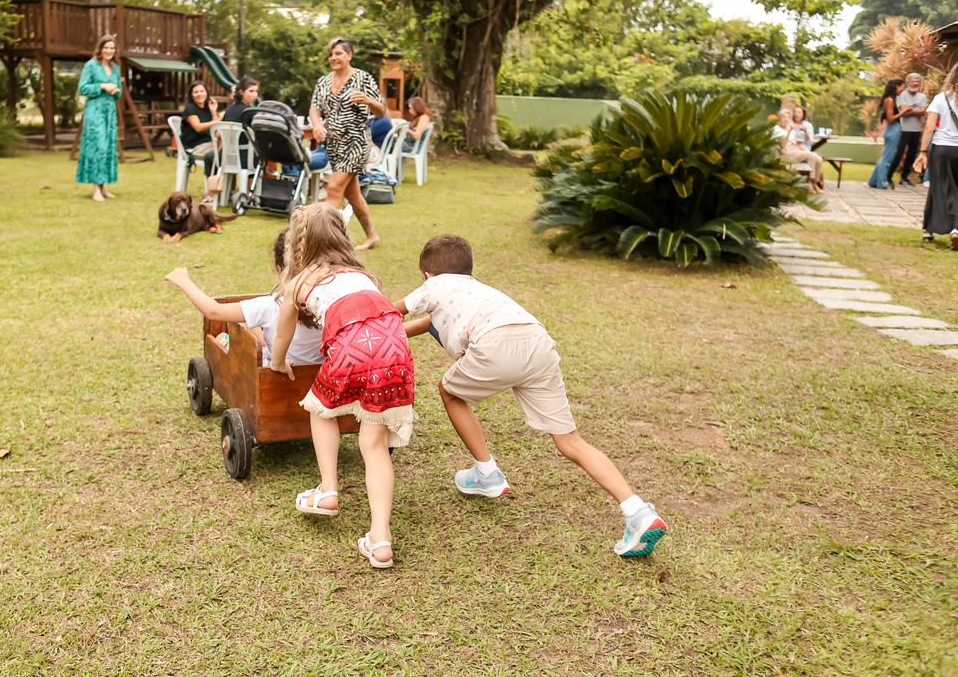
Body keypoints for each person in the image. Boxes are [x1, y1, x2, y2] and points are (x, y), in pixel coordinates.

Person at [394, 235, 667, 557]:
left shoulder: (435, 284)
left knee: (450, 392)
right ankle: (637, 511)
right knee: (571, 442)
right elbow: (428, 323)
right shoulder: (477, 291)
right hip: (537, 341)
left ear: (428, 274)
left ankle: (486, 472)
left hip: (495, 344)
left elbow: (385, 313)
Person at [269, 204, 414, 569]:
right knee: (373, 443)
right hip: (395, 347)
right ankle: (380, 540)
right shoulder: (365, 274)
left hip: (351, 348)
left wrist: (276, 362)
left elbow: (284, 329)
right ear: (342, 234)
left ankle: (328, 490)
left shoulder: (298, 282)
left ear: (298, 242)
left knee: (320, 410)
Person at [164, 229, 324, 366]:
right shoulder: (330, 301)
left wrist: (183, 280)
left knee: (221, 338)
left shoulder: (270, 305)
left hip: (276, 377)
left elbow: (213, 311)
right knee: (253, 327)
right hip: (320, 377)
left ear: (279, 269)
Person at [310, 37, 385, 251]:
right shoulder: (323, 81)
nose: (334, 57)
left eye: (338, 53)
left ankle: (326, 244)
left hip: (356, 142)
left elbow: (381, 111)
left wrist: (369, 101)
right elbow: (314, 108)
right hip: (333, 145)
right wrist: (316, 124)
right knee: (352, 194)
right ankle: (372, 236)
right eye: (331, 54)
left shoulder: (363, 78)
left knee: (333, 187)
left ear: (349, 55)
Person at [912, 62, 958, 249]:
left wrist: (922, 152)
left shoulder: (941, 99)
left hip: (941, 149)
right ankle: (948, 228)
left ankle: (931, 230)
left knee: (938, 188)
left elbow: (930, 127)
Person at [76, 35, 122, 202]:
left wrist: (115, 89)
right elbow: (82, 88)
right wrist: (102, 86)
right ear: (100, 48)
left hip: (110, 112)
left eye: (112, 48)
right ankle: (95, 190)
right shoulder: (91, 65)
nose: (109, 51)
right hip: (94, 111)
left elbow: (120, 92)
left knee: (109, 147)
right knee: (99, 147)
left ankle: (102, 188)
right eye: (106, 48)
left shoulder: (115, 68)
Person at [772, 109, 825, 193]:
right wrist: (789, 131)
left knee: (818, 158)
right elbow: (782, 144)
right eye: (784, 117)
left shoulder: (789, 128)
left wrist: (798, 142)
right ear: (779, 118)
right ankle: (809, 183)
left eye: (788, 117)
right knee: (812, 156)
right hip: (786, 152)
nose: (786, 119)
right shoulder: (777, 129)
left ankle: (815, 183)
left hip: (795, 149)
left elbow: (791, 140)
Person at [868, 79, 906, 190]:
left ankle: (874, 180)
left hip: (894, 129)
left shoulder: (890, 100)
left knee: (886, 157)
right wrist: (904, 112)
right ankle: (882, 183)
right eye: (902, 87)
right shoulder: (889, 100)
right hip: (893, 129)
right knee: (887, 158)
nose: (903, 90)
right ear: (897, 87)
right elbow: (890, 119)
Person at [181, 80, 223, 179]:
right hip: (195, 146)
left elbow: (214, 130)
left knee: (227, 150)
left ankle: (227, 189)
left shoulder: (207, 108)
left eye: (202, 91)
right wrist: (218, 120)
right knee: (220, 154)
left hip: (208, 143)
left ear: (206, 93)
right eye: (196, 92)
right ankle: (212, 188)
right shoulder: (190, 108)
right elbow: (198, 127)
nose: (199, 94)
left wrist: (213, 111)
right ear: (191, 95)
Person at [894, 73, 929, 186]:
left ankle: (904, 177)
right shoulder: (902, 95)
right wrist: (913, 110)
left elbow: (923, 112)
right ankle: (888, 175)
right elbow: (903, 113)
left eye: (917, 82)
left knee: (912, 155)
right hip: (903, 129)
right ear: (908, 82)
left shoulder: (922, 97)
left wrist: (909, 110)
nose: (915, 84)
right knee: (899, 153)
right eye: (913, 81)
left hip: (916, 130)